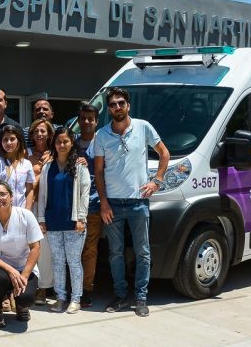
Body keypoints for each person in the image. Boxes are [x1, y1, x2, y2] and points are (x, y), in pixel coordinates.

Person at [94, 87, 170, 317]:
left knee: (143, 252)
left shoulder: (143, 127)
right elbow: (98, 172)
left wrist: (156, 181)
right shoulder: (101, 135)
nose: (117, 107)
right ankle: (120, 296)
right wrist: (104, 203)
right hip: (113, 204)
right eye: (113, 104)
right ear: (109, 109)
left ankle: (141, 297)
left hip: (138, 202)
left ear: (128, 105)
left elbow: (164, 154)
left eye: (121, 103)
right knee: (115, 253)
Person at [36, 128, 90, 314]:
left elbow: (84, 194)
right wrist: (42, 219)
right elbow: (42, 195)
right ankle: (60, 298)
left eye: (65, 141)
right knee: (58, 262)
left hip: (74, 223)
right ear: (54, 144)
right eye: (58, 141)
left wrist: (81, 218)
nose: (62, 145)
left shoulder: (80, 166)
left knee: (74, 262)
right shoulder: (47, 168)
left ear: (72, 143)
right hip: (53, 222)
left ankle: (75, 299)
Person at [0, 181, 42, 328]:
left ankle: (21, 307)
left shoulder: (26, 216)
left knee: (26, 298)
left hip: (25, 268)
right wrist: (11, 270)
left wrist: (24, 275)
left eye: (3, 194)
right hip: (1, 268)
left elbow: (36, 248)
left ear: (11, 197)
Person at [26, 118, 55, 305]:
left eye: (43, 131)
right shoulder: (25, 154)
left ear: (49, 133)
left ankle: (43, 288)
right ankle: (26, 285)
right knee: (27, 247)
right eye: (36, 131)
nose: (40, 134)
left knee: (45, 249)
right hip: (30, 205)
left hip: (48, 205)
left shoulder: (55, 153)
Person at [76, 103, 102, 307]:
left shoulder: (102, 143)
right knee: (71, 250)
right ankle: (71, 287)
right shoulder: (71, 142)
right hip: (72, 206)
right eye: (83, 118)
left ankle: (86, 289)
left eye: (90, 119)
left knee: (89, 250)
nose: (86, 122)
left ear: (96, 121)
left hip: (94, 204)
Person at [0, 125, 35, 210]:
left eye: (12, 139)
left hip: (22, 211)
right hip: (3, 211)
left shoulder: (27, 164)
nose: (9, 143)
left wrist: (27, 211)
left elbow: (30, 190)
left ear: (18, 141)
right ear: (1, 142)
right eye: (5, 140)